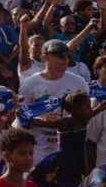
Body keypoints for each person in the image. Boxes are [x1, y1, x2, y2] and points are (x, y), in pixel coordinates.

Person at [17, 39, 90, 168]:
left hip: (69, 150)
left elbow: (87, 115)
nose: (65, 59)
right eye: (60, 56)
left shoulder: (79, 82)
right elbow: (21, 116)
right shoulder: (29, 84)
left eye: (67, 56)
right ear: (45, 57)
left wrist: (69, 122)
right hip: (38, 151)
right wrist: (41, 119)